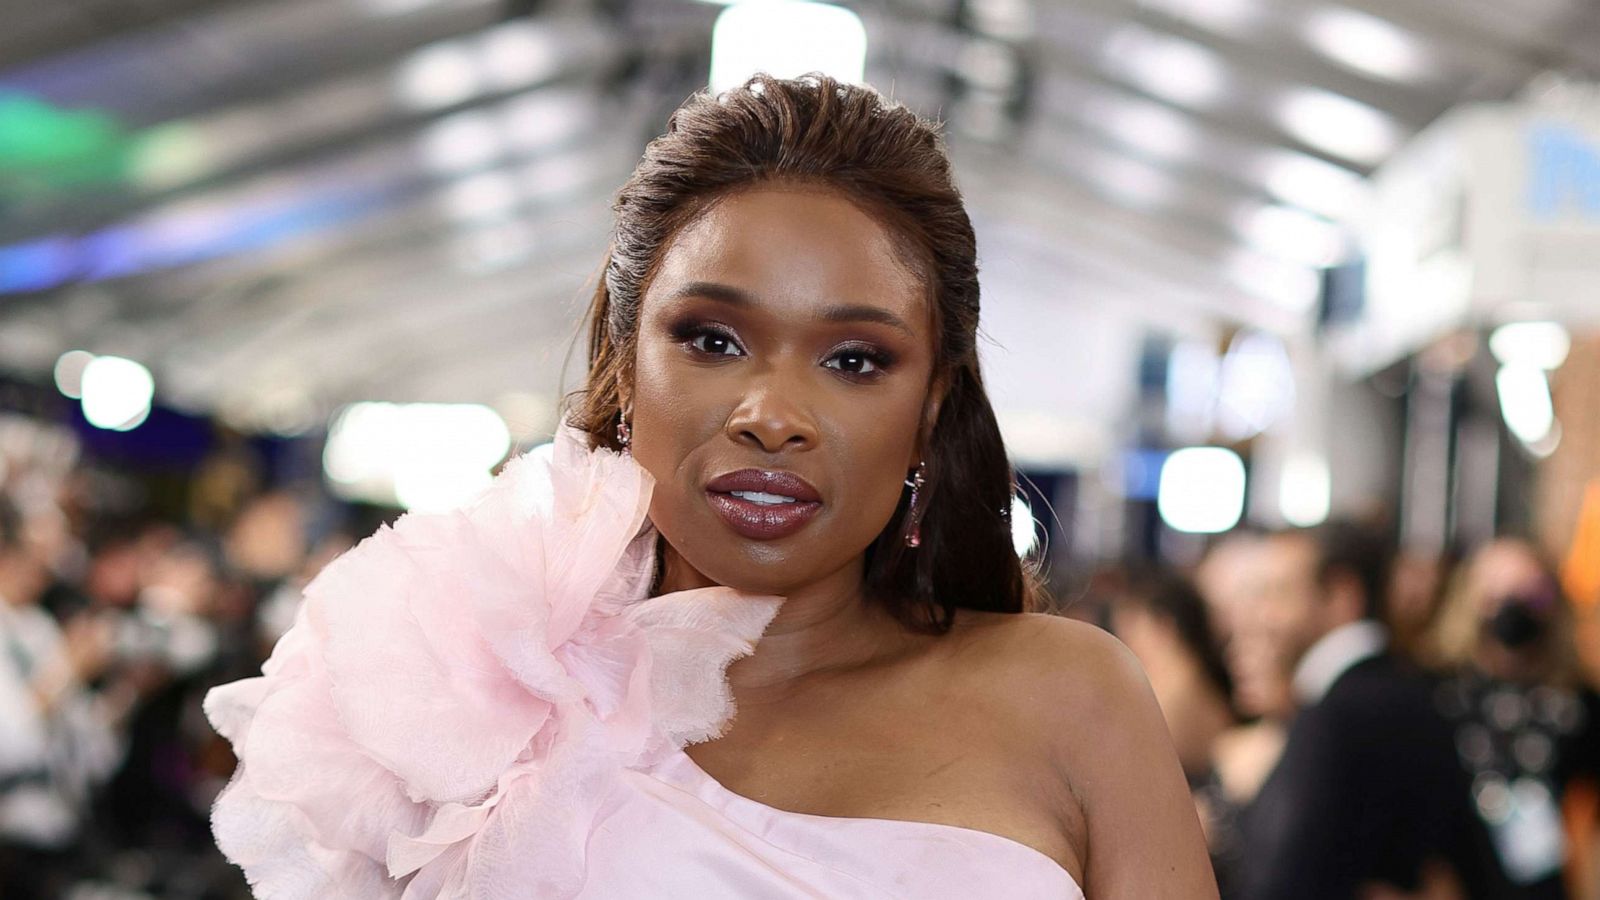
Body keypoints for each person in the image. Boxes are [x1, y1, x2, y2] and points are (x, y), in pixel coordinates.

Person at [203, 73, 1217, 897]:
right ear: (624, 369)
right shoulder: (459, 696)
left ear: (933, 407)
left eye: (855, 359)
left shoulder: (1075, 696)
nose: (772, 413)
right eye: (712, 339)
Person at [1237, 521, 1507, 900]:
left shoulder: (1340, 716)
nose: (1261, 616)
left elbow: (1283, 881)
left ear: (1340, 595)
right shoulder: (1405, 692)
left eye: (1279, 595)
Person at [1422, 538, 1600, 898]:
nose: (1513, 608)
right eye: (1498, 594)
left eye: (1529, 594)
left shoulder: (1577, 704)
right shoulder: (1433, 696)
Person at [1109, 571, 1245, 895]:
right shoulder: (1188, 682)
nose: (1122, 639)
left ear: (1163, 625)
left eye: (1131, 625)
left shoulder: (1174, 689)